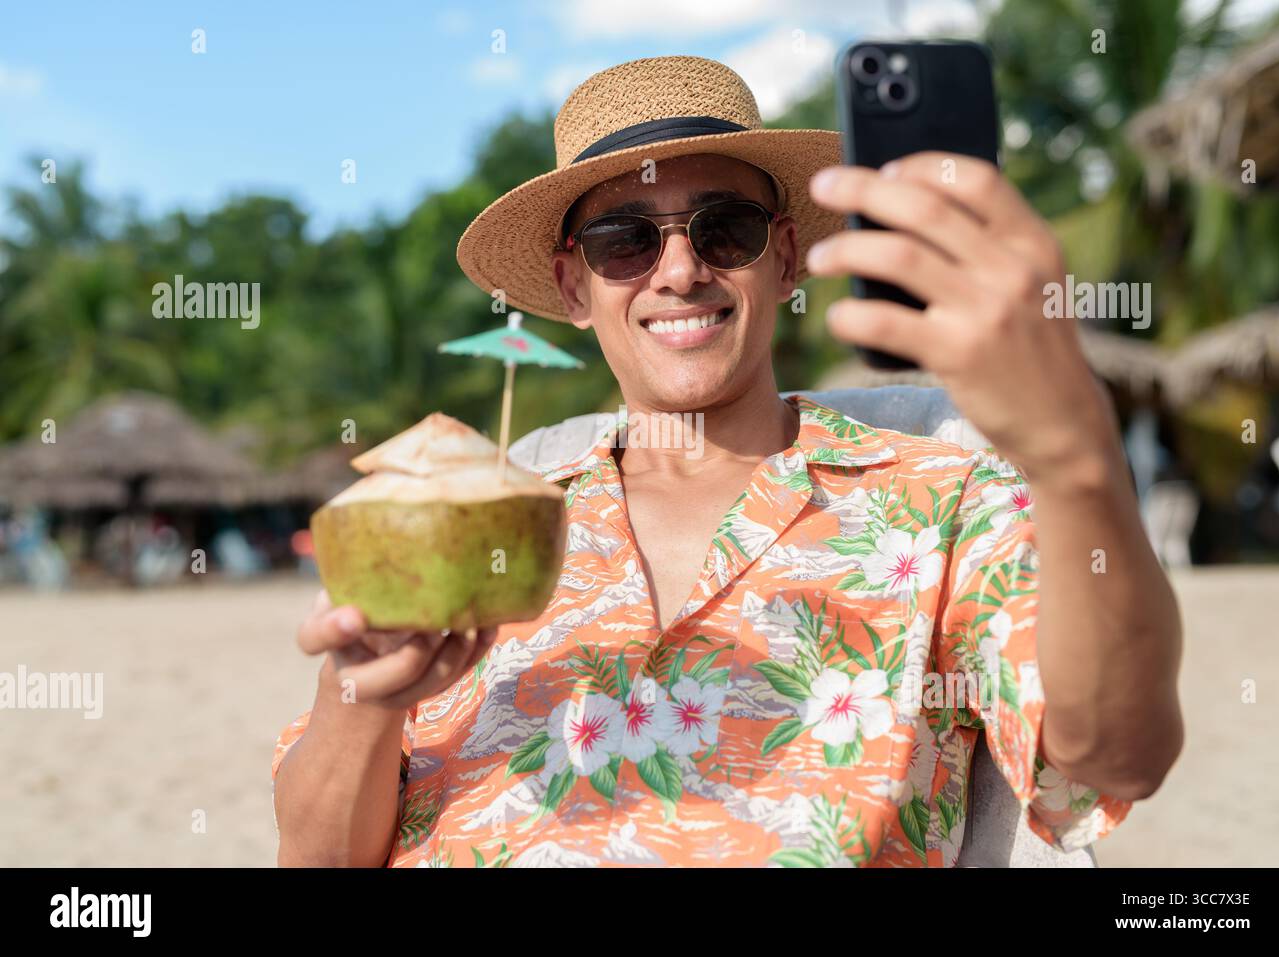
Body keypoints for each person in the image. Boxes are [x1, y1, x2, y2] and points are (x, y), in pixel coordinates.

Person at [272, 56, 1182, 867]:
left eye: (724, 230)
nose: (677, 271)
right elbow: (316, 858)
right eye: (623, 240)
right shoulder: (477, 524)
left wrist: (1079, 460)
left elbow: (1108, 761)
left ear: (785, 259)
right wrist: (359, 693)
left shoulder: (946, 501)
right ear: (571, 286)